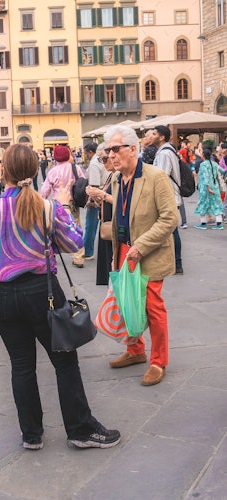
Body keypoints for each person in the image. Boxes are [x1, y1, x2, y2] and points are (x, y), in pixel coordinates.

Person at [0, 143, 121, 450]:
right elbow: (74, 243)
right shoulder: (48, 208)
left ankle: (31, 434)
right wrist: (65, 209)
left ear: (3, 170)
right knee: (65, 361)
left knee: (21, 365)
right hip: (41, 292)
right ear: (35, 171)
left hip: (1, 294)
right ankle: (80, 429)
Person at [104, 125, 178, 386]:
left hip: (149, 251)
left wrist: (141, 246)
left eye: (115, 149)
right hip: (124, 249)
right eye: (108, 150)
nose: (111, 155)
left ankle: (158, 361)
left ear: (133, 149)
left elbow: (170, 218)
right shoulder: (116, 179)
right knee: (127, 301)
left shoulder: (156, 176)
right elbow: (124, 211)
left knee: (153, 307)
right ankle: (135, 350)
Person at [41, 145, 86, 268]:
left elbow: (45, 190)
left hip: (58, 203)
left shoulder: (53, 171)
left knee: (53, 228)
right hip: (72, 201)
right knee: (76, 225)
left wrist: (43, 200)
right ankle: (79, 258)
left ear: (55, 157)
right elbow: (82, 182)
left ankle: (53, 254)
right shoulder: (76, 168)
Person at [152, 125, 183, 275]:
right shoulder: (166, 151)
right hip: (170, 196)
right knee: (171, 229)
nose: (152, 136)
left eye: (154, 134)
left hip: (168, 197)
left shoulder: (164, 153)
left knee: (171, 230)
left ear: (161, 137)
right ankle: (175, 262)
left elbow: (161, 177)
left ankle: (177, 263)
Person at [85, 143, 114, 286]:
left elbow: (124, 202)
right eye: (101, 159)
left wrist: (100, 195)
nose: (103, 162)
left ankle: (87, 251)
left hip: (113, 224)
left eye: (105, 159)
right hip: (107, 221)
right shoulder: (113, 175)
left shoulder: (118, 175)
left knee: (90, 228)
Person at [83, 142, 108, 261]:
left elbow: (94, 185)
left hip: (98, 197)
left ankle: (88, 252)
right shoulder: (104, 160)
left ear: (91, 152)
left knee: (90, 227)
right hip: (107, 195)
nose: (84, 155)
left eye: (85, 153)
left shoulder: (95, 163)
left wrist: (92, 201)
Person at [194, 148, 224, 230]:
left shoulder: (203, 164)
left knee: (203, 204)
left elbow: (206, 176)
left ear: (203, 155)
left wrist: (208, 188)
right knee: (217, 204)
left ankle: (203, 223)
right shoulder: (214, 163)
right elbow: (222, 171)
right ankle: (219, 223)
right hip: (215, 186)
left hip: (205, 188)